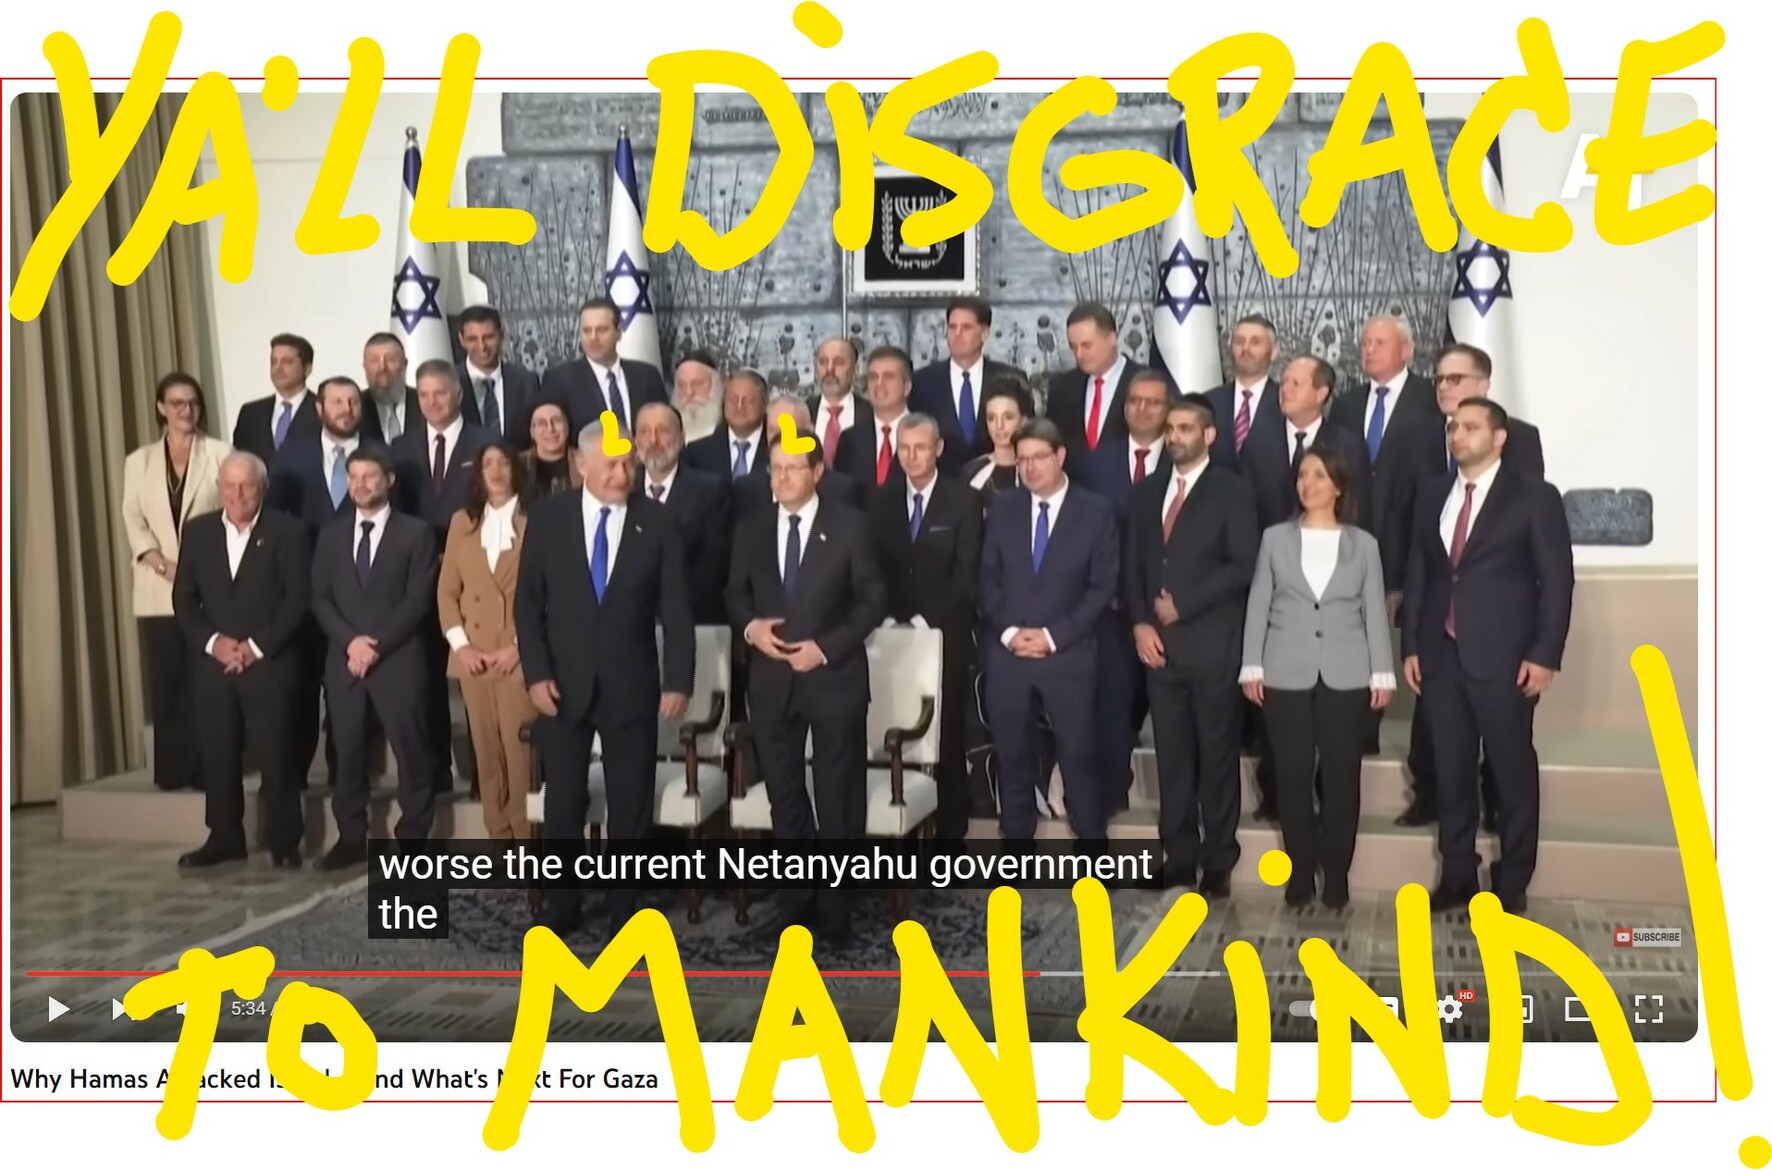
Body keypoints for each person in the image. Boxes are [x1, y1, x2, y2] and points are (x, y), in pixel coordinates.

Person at [516, 419, 695, 933]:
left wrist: (678, 680)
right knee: (563, 802)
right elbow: (527, 606)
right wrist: (536, 675)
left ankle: (624, 907)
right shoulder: (548, 518)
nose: (623, 474)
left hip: (630, 684)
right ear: (581, 464)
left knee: (629, 803)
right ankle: (563, 907)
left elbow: (676, 610)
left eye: (629, 465)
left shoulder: (656, 522)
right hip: (562, 687)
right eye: (612, 465)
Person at [1402, 399, 1574, 916]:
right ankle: (1458, 875)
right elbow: (1420, 573)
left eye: (1471, 427)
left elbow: (1557, 581)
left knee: (1510, 771)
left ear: (1499, 438)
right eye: (1454, 426)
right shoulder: (1432, 492)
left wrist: (1544, 654)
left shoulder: (1535, 497)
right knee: (1451, 770)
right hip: (1441, 656)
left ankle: (1513, 879)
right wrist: (1412, 645)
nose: (1458, 434)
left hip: (1506, 658)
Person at [726, 434, 886, 943]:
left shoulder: (850, 525)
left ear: (817, 472)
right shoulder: (751, 527)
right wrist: (751, 630)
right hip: (772, 684)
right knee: (786, 797)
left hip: (834, 678)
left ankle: (837, 911)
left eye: (793, 468)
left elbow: (872, 601)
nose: (782, 477)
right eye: (775, 468)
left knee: (838, 798)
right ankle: (796, 904)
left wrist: (826, 648)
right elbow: (734, 596)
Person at [1392, 342, 1547, 829]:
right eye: (1439, 379)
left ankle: (1498, 809)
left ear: (1483, 384)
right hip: (1437, 623)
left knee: (1505, 743)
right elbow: (1406, 524)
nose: (1443, 387)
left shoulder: (1520, 440)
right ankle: (1432, 801)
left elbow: (1530, 538)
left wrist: (1541, 646)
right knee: (1438, 734)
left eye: (1454, 379)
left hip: (1497, 628)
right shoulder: (1416, 436)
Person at [1240, 447, 1393, 908]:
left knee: (1342, 778)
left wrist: (1382, 672)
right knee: (1291, 777)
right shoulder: (1275, 539)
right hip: (1284, 671)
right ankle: (1301, 872)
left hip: (1348, 673)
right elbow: (1258, 604)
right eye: (1303, 475)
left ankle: (1337, 873)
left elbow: (1374, 611)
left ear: (1339, 486)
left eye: (1319, 475)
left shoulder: (1363, 544)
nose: (1308, 484)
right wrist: (1252, 664)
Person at [1123, 396, 1259, 894]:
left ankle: (1218, 860)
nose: (1175, 436)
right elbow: (1132, 565)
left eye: (1185, 428)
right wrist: (1140, 624)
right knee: (1173, 759)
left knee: (1217, 757)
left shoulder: (1231, 491)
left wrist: (1184, 605)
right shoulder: (1147, 492)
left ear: (1209, 435)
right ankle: (1178, 856)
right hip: (1158, 652)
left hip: (1212, 647)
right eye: (1170, 428)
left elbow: (1243, 564)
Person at [979, 418, 1120, 840]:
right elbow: (987, 579)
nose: (1029, 468)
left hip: (1068, 655)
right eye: (1022, 460)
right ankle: (1016, 848)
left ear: (1060, 456)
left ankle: (1092, 849)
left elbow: (1101, 587)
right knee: (1012, 759)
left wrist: (1052, 637)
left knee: (1079, 759)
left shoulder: (1095, 511)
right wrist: (1009, 633)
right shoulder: (1004, 508)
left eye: (1038, 458)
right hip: (1010, 655)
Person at [171, 453, 312, 868]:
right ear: (219, 487)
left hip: (269, 661)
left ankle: (284, 841)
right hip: (214, 663)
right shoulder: (197, 532)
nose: (237, 494)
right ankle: (224, 837)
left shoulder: (290, 532)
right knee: (218, 751)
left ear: (262, 489)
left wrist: (255, 646)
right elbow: (184, 599)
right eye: (229, 485)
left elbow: (298, 599)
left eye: (246, 485)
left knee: (277, 752)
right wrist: (214, 643)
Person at [310, 447, 441, 868]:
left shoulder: (416, 533)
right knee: (346, 753)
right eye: (353, 477)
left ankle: (413, 837)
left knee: (411, 751)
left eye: (369, 476)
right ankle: (351, 837)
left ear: (389, 480)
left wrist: (375, 646)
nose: (360, 485)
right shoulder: (330, 534)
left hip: (399, 660)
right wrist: (351, 643)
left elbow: (418, 600)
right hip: (345, 660)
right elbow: (320, 597)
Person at [866, 412, 984, 839]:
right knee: (887, 726)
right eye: (904, 448)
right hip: (886, 635)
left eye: (920, 447)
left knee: (945, 735)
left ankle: (949, 835)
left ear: (938, 449)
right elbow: (870, 568)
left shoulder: (963, 500)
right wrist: (887, 619)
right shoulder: (878, 501)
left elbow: (965, 575)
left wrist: (921, 622)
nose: (911, 456)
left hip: (943, 634)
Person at [391, 358, 496, 796]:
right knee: (426, 678)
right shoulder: (400, 446)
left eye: (441, 393)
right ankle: (435, 772)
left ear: (458, 394)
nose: (433, 402)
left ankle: (484, 776)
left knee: (476, 677)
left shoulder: (485, 443)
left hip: (472, 579)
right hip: (417, 578)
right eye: (424, 395)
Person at [120, 372, 228, 792]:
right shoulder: (139, 460)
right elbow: (132, 516)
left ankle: (207, 768)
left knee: (206, 681)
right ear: (161, 409)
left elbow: (230, 512)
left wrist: (194, 569)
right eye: (178, 403)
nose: (187, 410)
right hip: (156, 585)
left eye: (193, 403)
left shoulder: (220, 453)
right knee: (167, 681)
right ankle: (171, 770)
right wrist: (157, 560)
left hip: (208, 588)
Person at [438, 442, 536, 841]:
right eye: (487, 463)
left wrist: (519, 647)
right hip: (473, 655)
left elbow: (548, 592)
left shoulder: (536, 521)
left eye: (503, 463)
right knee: (485, 750)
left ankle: (527, 839)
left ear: (517, 470)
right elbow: (447, 591)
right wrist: (461, 646)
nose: (495, 471)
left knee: (520, 752)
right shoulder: (462, 522)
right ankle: (499, 837)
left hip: (518, 654)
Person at [633, 401, 733, 625]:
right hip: (631, 623)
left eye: (663, 430)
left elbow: (712, 569)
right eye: (644, 432)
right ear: (635, 441)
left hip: (691, 620)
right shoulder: (624, 490)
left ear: (681, 438)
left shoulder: (711, 491)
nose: (653, 440)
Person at [909, 296, 1025, 475]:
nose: (957, 334)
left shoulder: (1010, 378)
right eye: (952, 327)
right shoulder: (923, 381)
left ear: (984, 334)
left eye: (966, 328)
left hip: (999, 481)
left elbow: (1026, 435)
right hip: (944, 484)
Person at [538, 297, 669, 435]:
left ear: (618, 332)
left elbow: (664, 426)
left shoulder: (647, 376)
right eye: (587, 331)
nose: (593, 338)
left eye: (601, 330)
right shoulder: (559, 380)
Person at [1046, 302, 1144, 454]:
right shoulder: (1062, 389)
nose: (1079, 354)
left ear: (1112, 338)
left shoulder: (1146, 383)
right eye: (1073, 347)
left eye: (1086, 345)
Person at [834, 345, 914, 495]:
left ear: (907, 387)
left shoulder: (926, 435)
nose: (879, 384)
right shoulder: (849, 440)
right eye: (873, 377)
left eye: (888, 377)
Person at [1204, 314, 1282, 469]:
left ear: (1273, 351)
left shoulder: (1286, 401)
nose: (1245, 348)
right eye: (1239, 341)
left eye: (1255, 342)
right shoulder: (1208, 403)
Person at [455, 305, 540, 445]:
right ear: (461, 340)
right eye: (472, 339)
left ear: (501, 335)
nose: (482, 347)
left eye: (488, 337)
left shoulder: (526, 382)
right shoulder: (450, 383)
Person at [231, 334, 318, 466]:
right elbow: (239, 460)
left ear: (307, 369)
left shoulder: (321, 410)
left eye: (287, 362)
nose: (278, 368)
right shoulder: (251, 413)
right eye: (274, 362)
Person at [685, 365, 767, 481]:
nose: (739, 407)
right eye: (733, 400)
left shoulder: (782, 448)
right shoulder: (697, 452)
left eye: (748, 401)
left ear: (764, 404)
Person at [961, 375, 1034, 503]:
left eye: (1008, 417)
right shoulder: (972, 472)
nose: (999, 426)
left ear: (1024, 420)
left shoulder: (1036, 472)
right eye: (991, 418)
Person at [519, 401, 580, 497]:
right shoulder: (517, 466)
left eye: (556, 421)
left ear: (567, 426)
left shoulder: (585, 462)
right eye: (541, 423)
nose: (550, 429)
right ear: (532, 431)